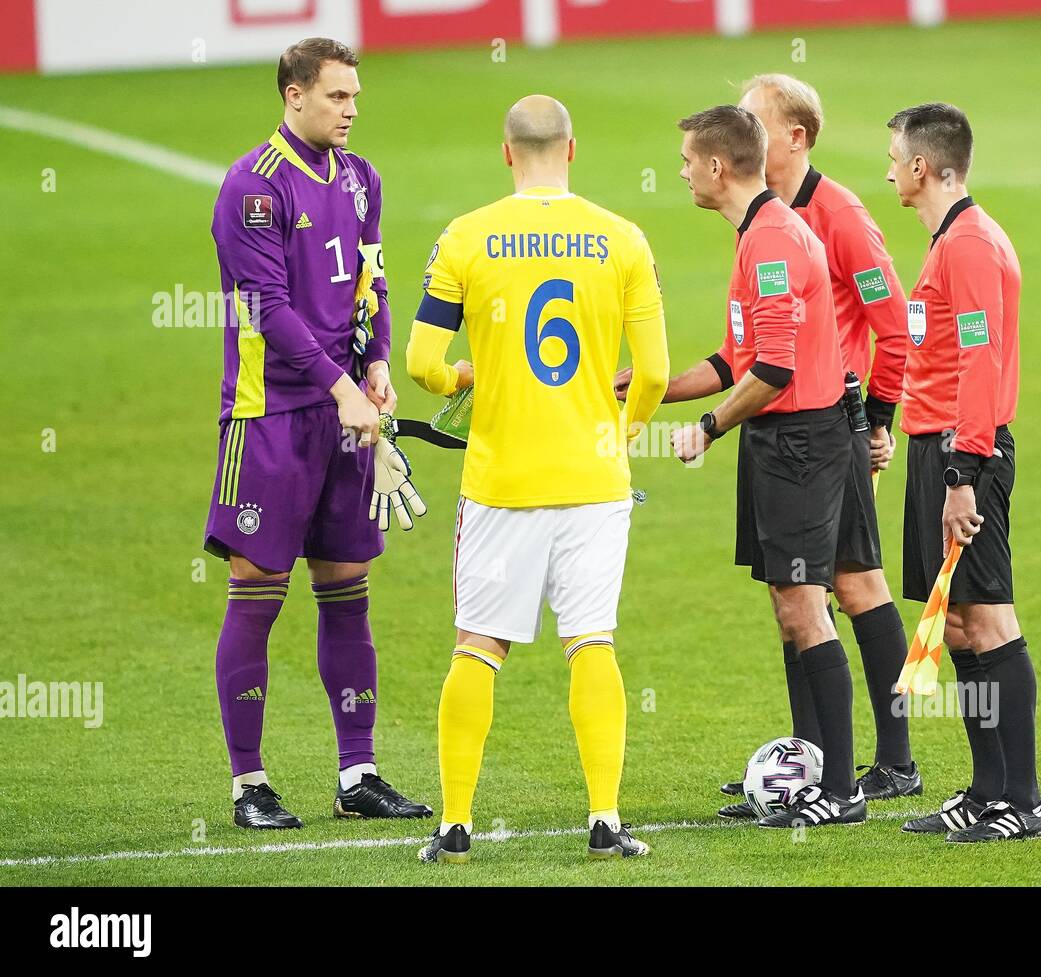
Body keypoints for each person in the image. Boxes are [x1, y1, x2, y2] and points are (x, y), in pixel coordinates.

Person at [407, 95, 670, 863]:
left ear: (506, 154)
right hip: (594, 478)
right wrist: (621, 432)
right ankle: (605, 820)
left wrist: (462, 376)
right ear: (573, 150)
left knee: (477, 647)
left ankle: (454, 825)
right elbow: (651, 370)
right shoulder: (622, 238)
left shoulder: (467, 237)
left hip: (500, 479)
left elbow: (423, 364)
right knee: (592, 641)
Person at [205, 37, 430, 829]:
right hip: (269, 421)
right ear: (293, 95)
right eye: (337, 97)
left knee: (347, 596)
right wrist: (340, 387)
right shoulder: (251, 188)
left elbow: (374, 279)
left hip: (347, 417)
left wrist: (374, 366)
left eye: (356, 96)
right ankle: (249, 785)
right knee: (257, 598)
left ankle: (357, 771)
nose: (351, 109)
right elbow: (267, 305)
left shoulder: (362, 179)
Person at [707, 73, 917, 817]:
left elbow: (896, 323)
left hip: (829, 422)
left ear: (792, 137)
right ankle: (812, 763)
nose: (740, 128)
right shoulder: (766, 218)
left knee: (847, 589)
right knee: (809, 593)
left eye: (753, 118)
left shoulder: (840, 216)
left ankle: (892, 761)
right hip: (798, 418)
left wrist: (880, 420)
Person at [657, 104, 864, 828]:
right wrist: (651, 387)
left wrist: (707, 427)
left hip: (800, 441)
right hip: (785, 440)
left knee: (807, 607)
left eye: (688, 159)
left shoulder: (772, 240)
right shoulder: (758, 235)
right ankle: (810, 775)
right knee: (789, 610)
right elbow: (735, 358)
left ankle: (841, 789)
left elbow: (772, 370)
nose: (681, 170)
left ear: (718, 167)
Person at [885, 102, 1041, 841]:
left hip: (963, 452)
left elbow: (980, 360)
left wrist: (962, 473)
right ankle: (987, 790)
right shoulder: (946, 242)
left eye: (895, 157)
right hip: (936, 447)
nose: (889, 168)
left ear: (923, 167)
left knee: (987, 617)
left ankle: (1025, 799)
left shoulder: (971, 246)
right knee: (954, 622)